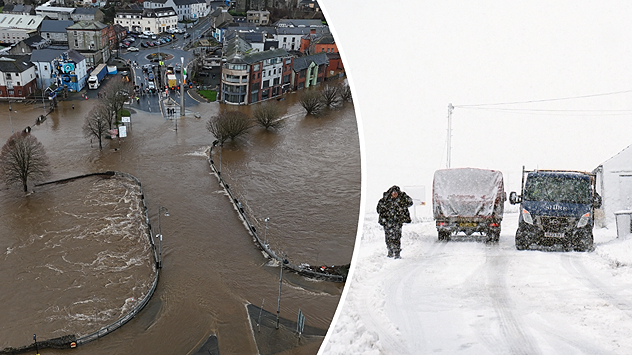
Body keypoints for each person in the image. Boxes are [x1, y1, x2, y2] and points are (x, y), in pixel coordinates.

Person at [376, 185, 413, 258]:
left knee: (397, 237)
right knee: (388, 237)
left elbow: (410, 202)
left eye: (397, 192)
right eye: (393, 192)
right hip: (387, 222)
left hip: (397, 222)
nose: (395, 194)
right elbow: (378, 209)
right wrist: (385, 213)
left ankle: (397, 253)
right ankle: (390, 251)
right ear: (391, 193)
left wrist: (404, 196)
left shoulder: (402, 200)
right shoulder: (385, 200)